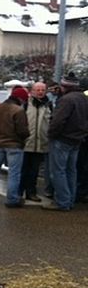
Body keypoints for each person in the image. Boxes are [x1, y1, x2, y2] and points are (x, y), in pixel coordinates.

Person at [44, 73, 88, 211]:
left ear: (65, 86)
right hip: (77, 139)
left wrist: (51, 135)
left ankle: (62, 201)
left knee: (58, 171)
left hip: (62, 139)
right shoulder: (84, 99)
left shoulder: (66, 100)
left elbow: (58, 121)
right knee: (71, 171)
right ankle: (69, 199)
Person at [0, 87, 30, 207]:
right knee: (14, 173)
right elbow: (22, 130)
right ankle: (12, 199)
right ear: (20, 99)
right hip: (14, 145)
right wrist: (25, 138)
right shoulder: (18, 110)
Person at [19, 82, 52, 202]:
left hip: (41, 144)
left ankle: (31, 192)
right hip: (26, 143)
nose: (40, 92)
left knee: (34, 171)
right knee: (23, 169)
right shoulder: (26, 105)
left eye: (42, 90)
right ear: (32, 91)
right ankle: (19, 192)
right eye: (37, 90)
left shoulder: (49, 105)